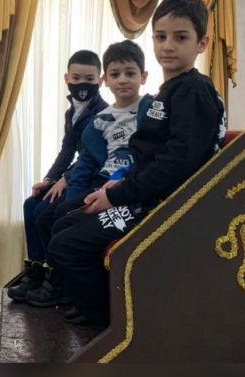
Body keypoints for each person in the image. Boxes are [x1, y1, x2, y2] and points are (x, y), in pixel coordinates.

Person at [47, 0, 226, 327]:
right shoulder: (169, 90)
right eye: (160, 36)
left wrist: (117, 195)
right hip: (143, 195)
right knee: (63, 223)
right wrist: (117, 186)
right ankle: (97, 306)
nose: (168, 46)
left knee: (65, 246)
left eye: (181, 37)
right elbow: (150, 156)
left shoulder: (194, 91)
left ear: (201, 43)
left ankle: (114, 327)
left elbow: (176, 165)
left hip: (165, 208)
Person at [25, 40, 152, 310]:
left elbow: (153, 153)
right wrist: (54, 182)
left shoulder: (150, 110)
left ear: (143, 76)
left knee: (54, 218)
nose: (123, 80)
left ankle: (72, 291)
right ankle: (45, 274)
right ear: (107, 79)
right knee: (48, 209)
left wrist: (67, 181)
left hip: (128, 186)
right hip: (99, 182)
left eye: (130, 73)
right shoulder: (98, 120)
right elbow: (79, 157)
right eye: (116, 74)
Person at [7, 50, 108, 302]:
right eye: (76, 78)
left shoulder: (104, 112)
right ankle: (36, 271)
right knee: (31, 204)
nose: (82, 84)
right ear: (67, 78)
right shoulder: (71, 112)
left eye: (89, 79)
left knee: (45, 214)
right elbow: (67, 150)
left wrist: (66, 179)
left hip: (90, 180)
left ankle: (56, 278)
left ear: (100, 80)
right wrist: (49, 179)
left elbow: (94, 157)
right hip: (74, 174)